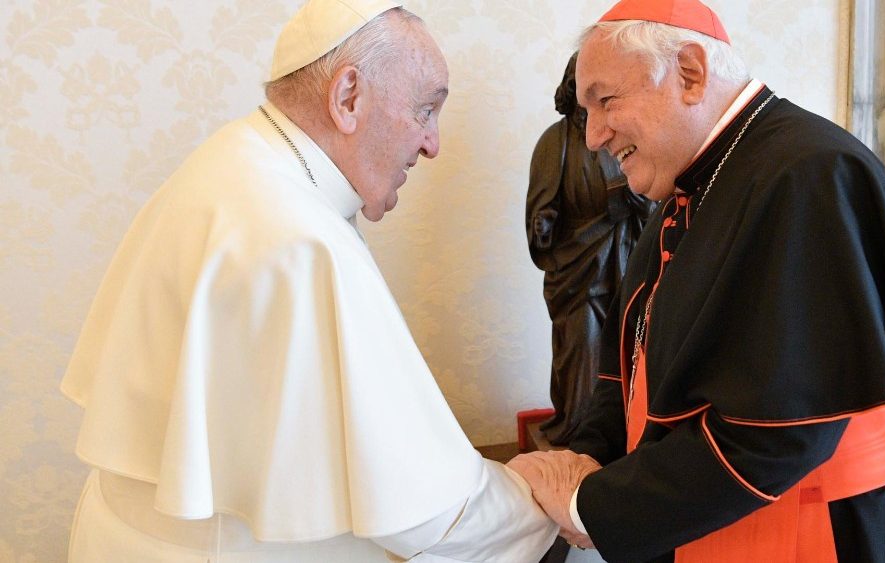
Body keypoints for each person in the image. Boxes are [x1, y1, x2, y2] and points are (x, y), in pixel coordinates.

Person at [61, 2, 557, 561]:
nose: (432, 144)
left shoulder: (235, 160)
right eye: (425, 110)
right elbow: (434, 518)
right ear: (348, 97)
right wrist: (535, 496)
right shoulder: (299, 240)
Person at [507, 0, 885, 561]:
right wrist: (588, 456)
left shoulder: (808, 175)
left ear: (690, 73)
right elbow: (631, 362)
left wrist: (593, 505)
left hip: (821, 531)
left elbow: (776, 435)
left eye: (606, 101)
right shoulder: (686, 189)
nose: (594, 137)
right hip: (716, 516)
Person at [527, 52, 656, 446]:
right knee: (582, 347)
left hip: (624, 257)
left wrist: (635, 201)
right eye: (585, 95)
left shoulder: (630, 136)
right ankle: (582, 438)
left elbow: (654, 206)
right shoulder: (556, 142)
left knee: (628, 345)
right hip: (577, 267)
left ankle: (624, 433)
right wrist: (542, 223)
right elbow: (542, 206)